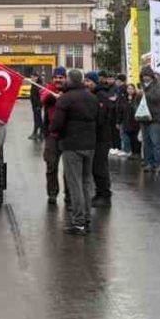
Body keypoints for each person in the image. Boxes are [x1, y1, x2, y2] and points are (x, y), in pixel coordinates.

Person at [50, 68, 98, 235]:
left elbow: (56, 124)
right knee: (86, 182)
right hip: (90, 144)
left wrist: (55, 132)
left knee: (75, 183)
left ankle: (78, 222)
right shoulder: (92, 98)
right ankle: (86, 218)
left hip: (72, 145)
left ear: (69, 80)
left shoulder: (65, 99)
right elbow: (99, 119)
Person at [137, 67, 160, 175]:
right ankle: (148, 163)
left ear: (151, 76)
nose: (145, 78)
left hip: (156, 119)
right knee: (147, 143)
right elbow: (136, 103)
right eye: (143, 76)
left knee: (157, 143)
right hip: (144, 119)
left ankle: (159, 164)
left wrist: (144, 94)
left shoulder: (158, 86)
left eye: (147, 75)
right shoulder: (142, 87)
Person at [90, 72, 116, 203]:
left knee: (100, 166)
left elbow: (101, 118)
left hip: (102, 137)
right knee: (96, 166)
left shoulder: (101, 96)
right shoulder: (95, 94)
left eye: (88, 81)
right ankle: (99, 192)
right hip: (97, 137)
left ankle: (104, 194)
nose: (86, 84)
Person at [41, 69, 67, 203]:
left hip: (68, 135)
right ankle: (52, 193)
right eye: (56, 77)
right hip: (52, 134)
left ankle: (69, 194)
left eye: (61, 77)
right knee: (51, 165)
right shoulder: (48, 89)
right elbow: (44, 99)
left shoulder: (69, 90)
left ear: (65, 78)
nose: (58, 80)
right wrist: (55, 96)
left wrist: (64, 97)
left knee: (69, 168)